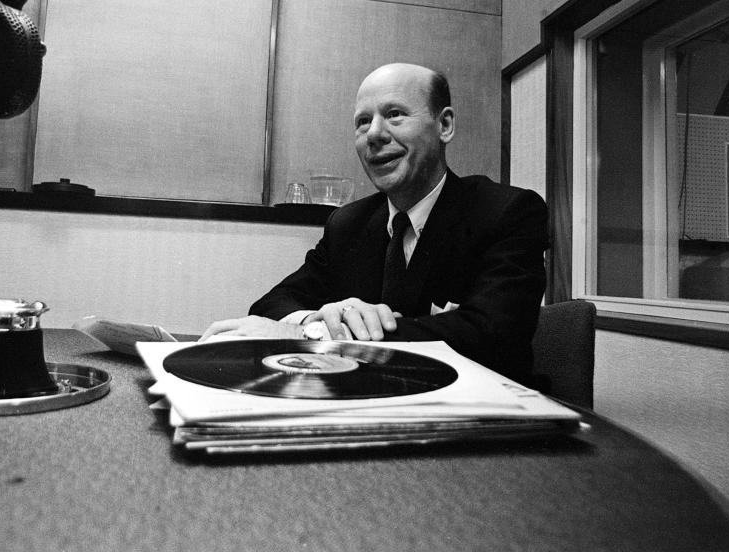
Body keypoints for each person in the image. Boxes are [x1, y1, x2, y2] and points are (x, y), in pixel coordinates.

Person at [201, 63, 548, 383]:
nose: (374, 134)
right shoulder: (349, 223)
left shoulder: (507, 211)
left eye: (394, 115)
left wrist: (324, 337)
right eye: (362, 122)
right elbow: (273, 303)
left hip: (484, 424)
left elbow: (491, 337)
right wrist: (313, 320)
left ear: (444, 125)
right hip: (365, 408)